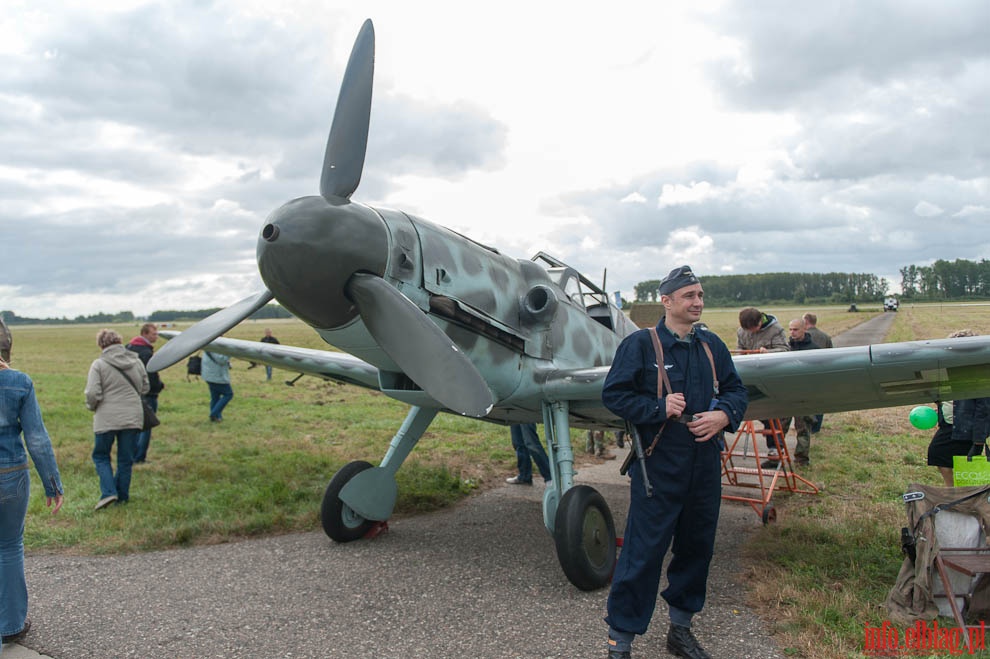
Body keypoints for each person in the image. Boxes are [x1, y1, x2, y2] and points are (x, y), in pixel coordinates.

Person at [602, 265, 747, 659]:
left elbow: (736, 391)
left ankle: (680, 629)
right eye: (689, 296)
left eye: (700, 295)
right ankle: (621, 641)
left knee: (697, 547)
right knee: (643, 551)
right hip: (658, 463)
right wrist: (657, 406)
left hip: (703, 462)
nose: (698, 302)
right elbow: (614, 396)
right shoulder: (640, 346)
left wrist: (724, 416)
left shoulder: (711, 345)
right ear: (666, 301)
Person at [0, 355, 63, 644]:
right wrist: (52, 484)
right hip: (10, 474)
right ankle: (11, 625)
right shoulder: (18, 382)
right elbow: (36, 437)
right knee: (9, 546)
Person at [85, 329, 149, 509]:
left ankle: (108, 492)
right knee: (125, 459)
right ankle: (122, 497)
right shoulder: (136, 361)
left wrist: (92, 406)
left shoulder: (99, 364)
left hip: (106, 418)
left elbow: (92, 393)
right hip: (133, 417)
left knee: (101, 456)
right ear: (120, 342)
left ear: (101, 345)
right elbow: (145, 387)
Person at [927, 330, 990, 486]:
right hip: (951, 426)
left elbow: (984, 411)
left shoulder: (978, 376)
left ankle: (957, 496)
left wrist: (978, 441)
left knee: (952, 461)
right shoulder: (950, 372)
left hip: (964, 429)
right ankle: (957, 494)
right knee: (942, 457)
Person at [737, 308, 789, 467]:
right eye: (748, 329)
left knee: (772, 415)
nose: (751, 332)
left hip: (770, 376)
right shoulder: (742, 331)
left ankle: (775, 448)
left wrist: (768, 352)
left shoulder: (776, 330)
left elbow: (785, 350)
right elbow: (740, 349)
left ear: (760, 321)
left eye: (754, 328)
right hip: (751, 376)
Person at [784, 319, 821, 466]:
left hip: (804, 395)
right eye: (790, 329)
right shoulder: (786, 348)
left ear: (804, 329)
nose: (792, 333)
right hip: (786, 393)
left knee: (803, 428)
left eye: (795, 329)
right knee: (780, 426)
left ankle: (802, 459)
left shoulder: (814, 349)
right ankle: (776, 455)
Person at [126, 323, 164, 463]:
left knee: (134, 426)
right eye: (154, 334)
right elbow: (151, 374)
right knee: (147, 425)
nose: (156, 336)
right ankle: (140, 457)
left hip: (131, 392)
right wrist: (158, 387)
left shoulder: (129, 347)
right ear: (145, 334)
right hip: (147, 394)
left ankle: (132, 454)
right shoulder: (146, 352)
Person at [802, 313, 831, 433]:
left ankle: (806, 425)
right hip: (821, 372)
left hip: (806, 372)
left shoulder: (804, 336)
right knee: (819, 400)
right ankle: (816, 427)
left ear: (806, 321)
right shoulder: (825, 336)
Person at [202, 351, 233, 422]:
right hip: (217, 376)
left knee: (215, 396)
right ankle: (214, 414)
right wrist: (230, 352)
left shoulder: (209, 345)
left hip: (209, 375)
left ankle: (216, 417)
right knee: (228, 394)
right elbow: (221, 360)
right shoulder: (214, 348)